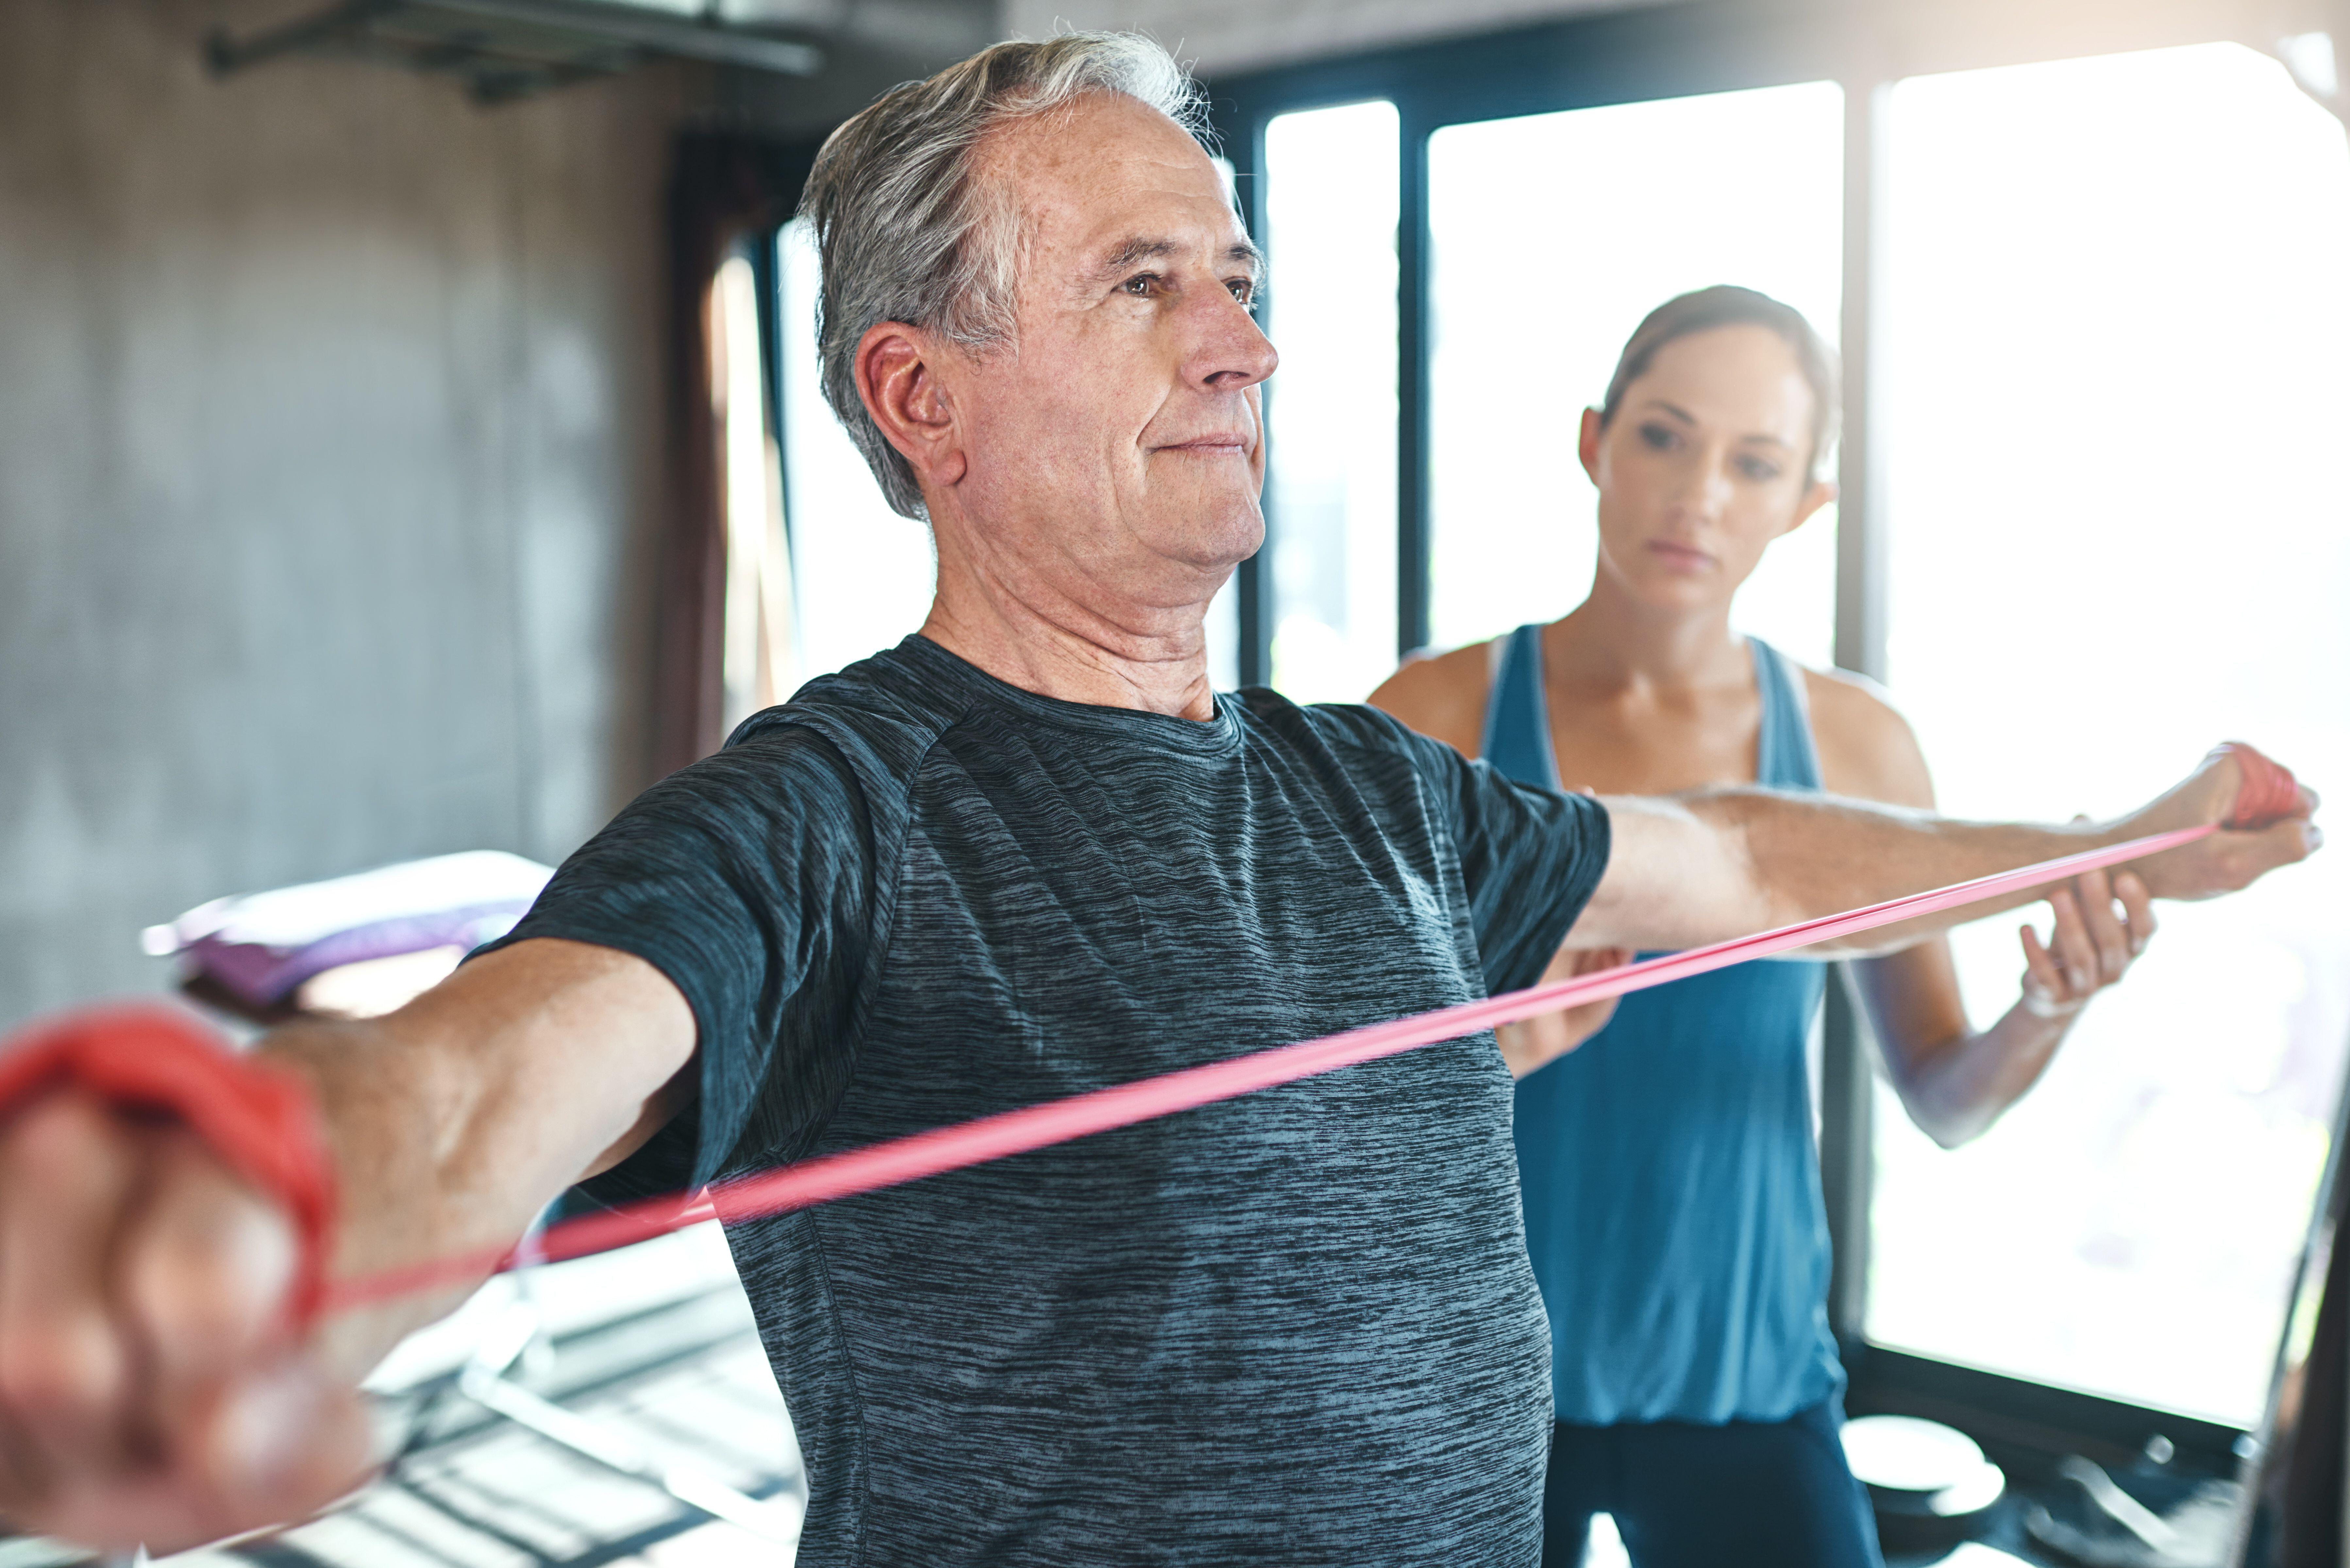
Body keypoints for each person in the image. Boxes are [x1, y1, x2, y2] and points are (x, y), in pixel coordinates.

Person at [0, 41, 2318, 1568]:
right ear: (921, 391)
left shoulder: (1368, 788)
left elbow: (1733, 850)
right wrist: (259, 1206)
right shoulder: (818, 820)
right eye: (1143, 284)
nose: (1248, 339)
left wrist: (2113, 832)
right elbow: (489, 1068)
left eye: (1238, 275)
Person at [1369, 285, 2196, 1567]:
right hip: (1468, 1386)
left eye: (1752, 462)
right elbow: (1343, 1102)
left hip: (1749, 1384)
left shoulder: (1859, 745)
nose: (1696, 493)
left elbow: (1944, 1097)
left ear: (1803, 504)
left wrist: (2050, 1002)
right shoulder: (1431, 714)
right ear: (1593, 440)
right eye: (1662, 436)